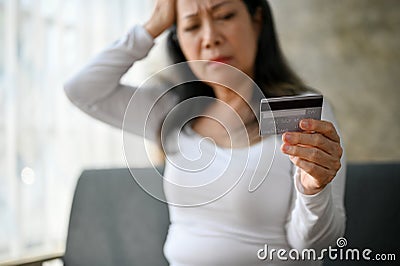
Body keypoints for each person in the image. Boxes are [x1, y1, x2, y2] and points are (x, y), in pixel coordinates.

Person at [64, 0, 346, 265]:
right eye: (192, 26)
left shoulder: (300, 114)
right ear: (178, 41)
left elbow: (314, 248)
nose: (210, 37)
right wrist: (154, 25)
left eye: (225, 16)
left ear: (257, 20)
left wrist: (313, 190)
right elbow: (81, 90)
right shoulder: (173, 111)